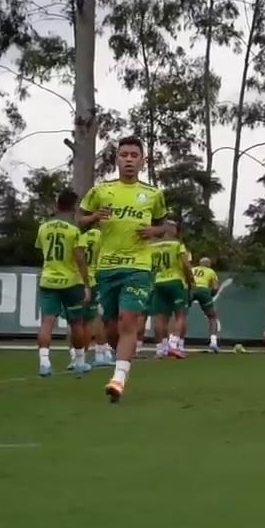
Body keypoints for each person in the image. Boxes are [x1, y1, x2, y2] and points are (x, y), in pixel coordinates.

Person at [78, 136, 169, 402]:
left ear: (143, 160)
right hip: (107, 268)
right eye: (124, 155)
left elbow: (165, 225)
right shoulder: (101, 191)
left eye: (134, 155)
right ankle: (122, 359)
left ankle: (118, 378)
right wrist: (94, 217)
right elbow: (80, 219)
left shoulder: (153, 194)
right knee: (111, 327)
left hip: (138, 266)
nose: (129, 159)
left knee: (129, 319)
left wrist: (155, 230)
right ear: (117, 159)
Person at [34, 189, 93, 376]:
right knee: (76, 322)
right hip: (71, 282)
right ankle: (79, 361)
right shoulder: (74, 229)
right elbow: (80, 259)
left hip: (48, 280)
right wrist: (87, 284)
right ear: (74, 206)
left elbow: (42, 252)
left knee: (47, 322)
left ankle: (44, 362)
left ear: (57, 205)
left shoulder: (43, 227)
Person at [149, 223, 194, 359]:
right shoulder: (176, 244)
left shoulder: (152, 246)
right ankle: (173, 345)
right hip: (175, 281)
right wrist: (190, 281)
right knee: (180, 315)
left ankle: (160, 349)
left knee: (160, 317)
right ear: (171, 229)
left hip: (158, 282)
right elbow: (186, 264)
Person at [76, 225, 113, 366]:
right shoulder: (101, 236)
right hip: (95, 279)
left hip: (77, 279)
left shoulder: (79, 233)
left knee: (75, 319)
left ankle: (77, 356)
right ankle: (100, 354)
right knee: (98, 318)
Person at [190, 257, 221, 352]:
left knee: (180, 315)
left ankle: (175, 342)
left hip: (192, 289)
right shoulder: (211, 271)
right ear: (208, 264)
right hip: (204, 291)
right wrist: (211, 295)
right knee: (212, 316)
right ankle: (213, 342)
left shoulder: (192, 269)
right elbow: (215, 287)